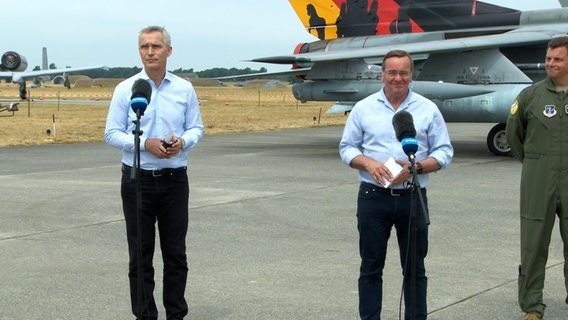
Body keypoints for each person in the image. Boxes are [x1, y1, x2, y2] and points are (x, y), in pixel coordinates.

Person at [339, 49, 453, 320]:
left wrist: (416, 167)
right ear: (382, 75)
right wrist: (368, 164)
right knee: (370, 267)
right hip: (373, 196)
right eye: (392, 72)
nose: (398, 78)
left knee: (415, 269)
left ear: (412, 75)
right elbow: (347, 147)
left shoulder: (428, 109)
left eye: (404, 72)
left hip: (412, 196)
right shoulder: (364, 107)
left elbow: (444, 152)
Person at [104, 25, 204, 320]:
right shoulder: (126, 89)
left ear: (168, 51)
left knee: (175, 255)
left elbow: (196, 128)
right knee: (140, 256)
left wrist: (182, 142)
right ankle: (145, 315)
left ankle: (176, 314)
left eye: (156, 46)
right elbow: (111, 134)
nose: (150, 52)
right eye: (145, 46)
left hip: (174, 181)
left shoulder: (184, 88)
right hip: (138, 181)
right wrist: (144, 143)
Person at [506, 36, 568, 320]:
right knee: (533, 244)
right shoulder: (530, 96)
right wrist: (535, 162)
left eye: (558, 59)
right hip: (538, 178)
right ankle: (532, 306)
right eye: (549, 58)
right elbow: (513, 136)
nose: (551, 64)